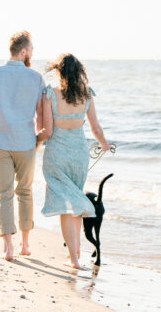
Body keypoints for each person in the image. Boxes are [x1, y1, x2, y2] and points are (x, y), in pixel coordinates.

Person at [0, 30, 44, 261]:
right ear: (23, 51)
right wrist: (39, 140)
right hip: (25, 143)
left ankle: (8, 247)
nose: (31, 53)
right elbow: (41, 115)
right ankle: (25, 244)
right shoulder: (36, 78)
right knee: (25, 191)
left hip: (0, 142)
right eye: (31, 50)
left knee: (4, 194)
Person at [36, 53, 110, 270]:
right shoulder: (86, 95)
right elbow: (95, 127)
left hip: (57, 154)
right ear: (79, 72)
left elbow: (47, 131)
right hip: (79, 155)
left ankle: (74, 258)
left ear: (59, 71)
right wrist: (104, 143)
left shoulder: (50, 94)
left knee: (65, 206)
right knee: (75, 202)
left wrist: (34, 141)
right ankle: (75, 253)